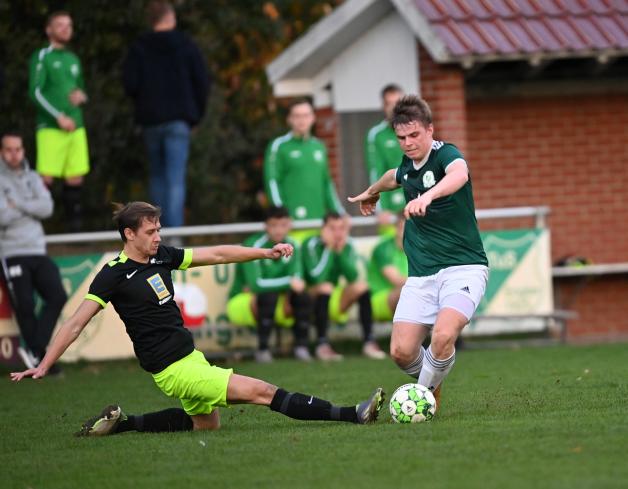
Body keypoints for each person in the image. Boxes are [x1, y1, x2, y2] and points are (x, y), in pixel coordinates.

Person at [10, 202, 383, 435]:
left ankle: (124, 424)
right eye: (151, 231)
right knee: (262, 391)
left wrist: (265, 253)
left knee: (206, 424)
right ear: (129, 234)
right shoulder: (112, 274)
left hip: (189, 357)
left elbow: (218, 254)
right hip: (172, 370)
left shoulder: (162, 257)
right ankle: (353, 414)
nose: (158, 236)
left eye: (159, 230)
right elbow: (76, 323)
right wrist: (44, 364)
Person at [348, 95, 489, 412]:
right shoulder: (406, 166)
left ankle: (419, 397)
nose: (408, 143)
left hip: (464, 268)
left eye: (414, 135)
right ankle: (432, 384)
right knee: (400, 351)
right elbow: (391, 177)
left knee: (442, 336)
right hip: (422, 274)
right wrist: (371, 193)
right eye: (401, 138)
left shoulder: (446, 155)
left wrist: (429, 195)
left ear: (430, 130)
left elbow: (459, 175)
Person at [122, 0, 210, 228]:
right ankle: (175, 235)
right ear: (171, 18)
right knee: (175, 180)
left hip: (150, 120)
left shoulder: (139, 46)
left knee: (157, 178)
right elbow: (202, 82)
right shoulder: (186, 45)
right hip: (179, 120)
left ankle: (155, 231)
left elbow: (130, 84)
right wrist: (196, 116)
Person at [0, 132, 67, 373]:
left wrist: (17, 205)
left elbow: (47, 207)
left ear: (23, 150)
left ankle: (36, 351)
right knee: (25, 305)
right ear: (2, 152)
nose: (14, 154)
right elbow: (2, 216)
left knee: (58, 295)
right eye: (9, 149)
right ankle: (42, 359)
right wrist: (31, 207)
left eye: (18, 149)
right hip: (11, 252)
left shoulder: (32, 177)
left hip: (37, 249)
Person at [28, 10, 89, 232]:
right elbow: (34, 92)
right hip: (51, 128)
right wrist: (58, 117)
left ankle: (74, 235)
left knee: (75, 179)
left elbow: (80, 90)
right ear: (49, 30)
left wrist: (83, 97)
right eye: (60, 25)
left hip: (76, 127)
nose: (66, 29)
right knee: (46, 178)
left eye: (69, 25)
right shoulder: (42, 56)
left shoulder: (73, 59)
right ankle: (39, 232)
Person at [226, 206, 312, 363]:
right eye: (273, 225)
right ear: (266, 226)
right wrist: (287, 283)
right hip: (241, 301)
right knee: (268, 296)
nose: (278, 230)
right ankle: (263, 349)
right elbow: (256, 285)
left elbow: (297, 280)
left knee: (302, 296)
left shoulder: (294, 245)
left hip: (276, 299)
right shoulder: (253, 245)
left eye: (283, 225)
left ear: (290, 225)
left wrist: (289, 289)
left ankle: (302, 346)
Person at [302, 212, 386, 361]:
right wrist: (328, 249)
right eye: (332, 228)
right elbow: (315, 276)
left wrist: (340, 252)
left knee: (361, 286)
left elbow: (351, 277)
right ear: (323, 229)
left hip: (332, 293)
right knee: (324, 286)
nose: (337, 233)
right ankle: (322, 344)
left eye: (341, 228)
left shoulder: (345, 245)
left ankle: (369, 342)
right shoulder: (311, 243)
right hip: (308, 293)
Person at [264, 99, 345, 241]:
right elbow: (272, 182)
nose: (302, 120)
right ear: (289, 119)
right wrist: (281, 216)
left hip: (319, 224)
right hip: (291, 226)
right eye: (297, 116)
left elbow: (327, 183)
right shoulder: (278, 146)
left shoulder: (319, 146)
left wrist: (339, 212)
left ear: (313, 118)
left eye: (306, 115)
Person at [365, 85, 405, 229]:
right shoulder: (377, 135)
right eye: (389, 103)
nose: (394, 108)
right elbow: (376, 172)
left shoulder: (417, 130)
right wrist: (381, 208)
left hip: (416, 207)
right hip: (390, 214)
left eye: (398, 103)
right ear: (383, 106)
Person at [367, 214, 407, 322]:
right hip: (378, 300)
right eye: (404, 228)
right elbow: (397, 280)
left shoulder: (418, 248)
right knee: (407, 292)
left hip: (408, 293)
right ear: (396, 228)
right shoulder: (383, 249)